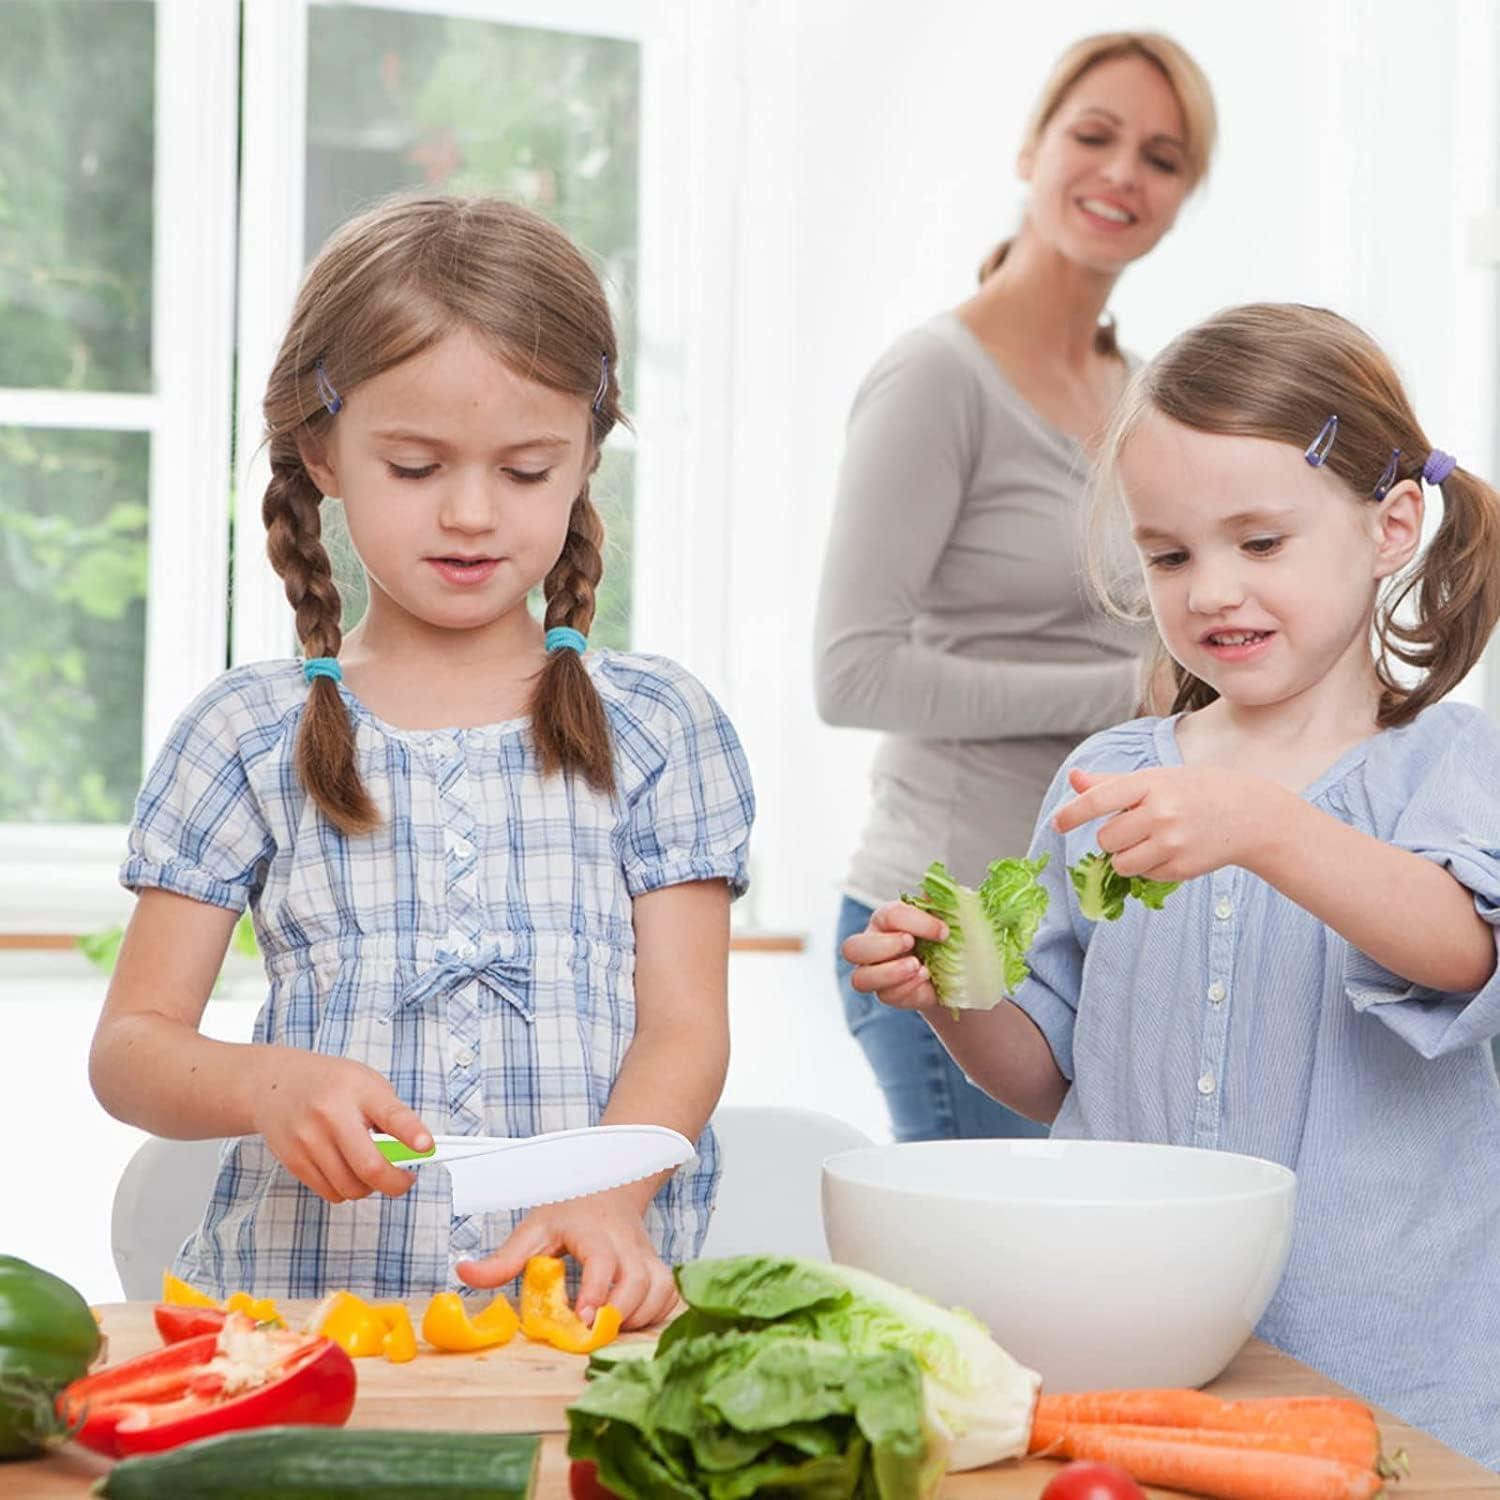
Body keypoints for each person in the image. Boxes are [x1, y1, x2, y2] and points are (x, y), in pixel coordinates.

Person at [844, 302, 1500, 1466]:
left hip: (1388, 1374)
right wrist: (955, 991)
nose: (1210, 592)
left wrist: (1264, 826)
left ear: (1392, 524)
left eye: (1261, 543)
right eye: (1169, 555)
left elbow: (1460, 951)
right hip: (1132, 1361)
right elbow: (1049, 1073)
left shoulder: (1451, 762)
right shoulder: (1108, 779)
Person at [87, 195, 755, 1331]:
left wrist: (606, 1200)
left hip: (584, 1317)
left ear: (587, 453)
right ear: (322, 452)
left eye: (528, 470)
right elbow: (131, 1049)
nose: (470, 513)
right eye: (415, 464)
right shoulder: (244, 733)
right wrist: (266, 1084)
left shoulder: (659, 724)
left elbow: (684, 1028)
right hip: (305, 1323)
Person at [813, 32, 1217, 1143]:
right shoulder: (936, 379)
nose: (1124, 173)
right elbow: (851, 676)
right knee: (992, 1302)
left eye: (1163, 156)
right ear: (1032, 149)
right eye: (1094, 136)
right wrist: (1117, 693)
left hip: (1086, 925)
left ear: (1184, 196)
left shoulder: (1141, 391)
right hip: (946, 922)